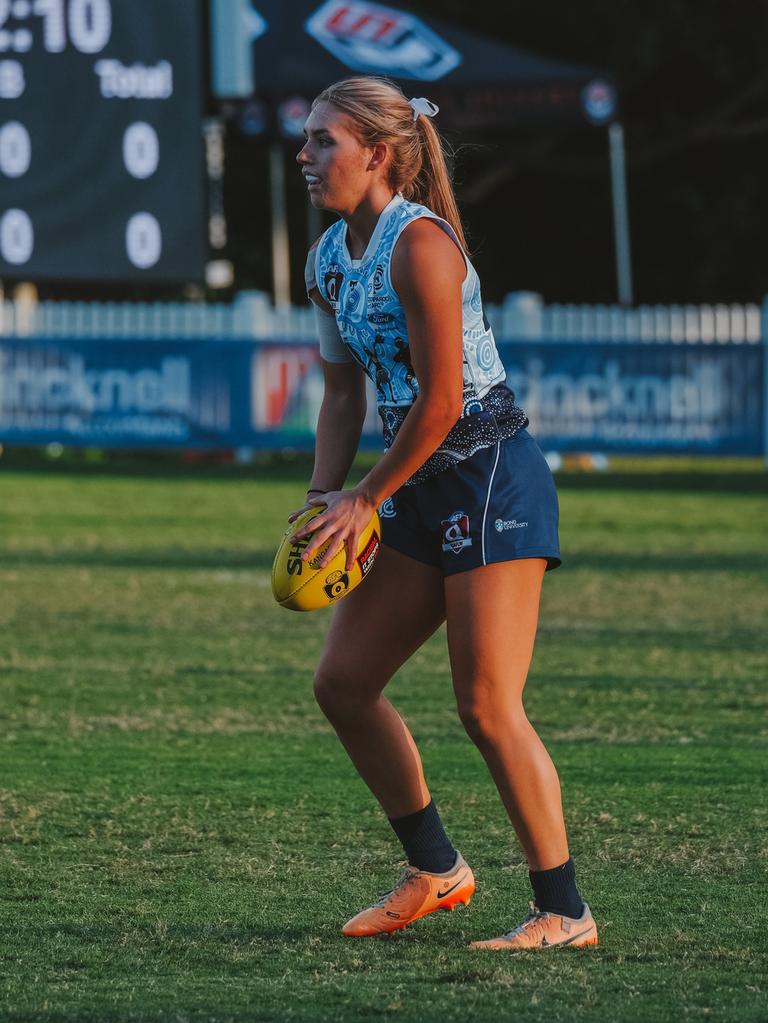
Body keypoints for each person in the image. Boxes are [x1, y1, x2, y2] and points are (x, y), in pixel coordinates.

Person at [288, 76, 597, 951]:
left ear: (378, 153)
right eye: (307, 141)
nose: (305, 156)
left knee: (487, 704)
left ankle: (565, 912)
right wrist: (323, 494)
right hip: (414, 483)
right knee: (343, 683)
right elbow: (343, 392)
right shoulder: (325, 259)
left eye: (323, 141)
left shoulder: (420, 246)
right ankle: (436, 868)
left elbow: (444, 401)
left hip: (490, 472)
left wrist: (365, 498)